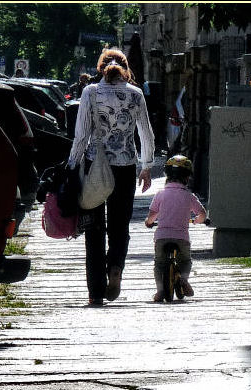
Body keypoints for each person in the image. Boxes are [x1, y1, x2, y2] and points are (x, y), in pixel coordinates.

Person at [67, 48, 154, 306]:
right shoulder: (136, 94)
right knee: (120, 226)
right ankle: (115, 266)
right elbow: (146, 133)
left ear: (100, 68)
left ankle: (95, 292)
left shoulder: (90, 93)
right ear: (126, 68)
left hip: (95, 166)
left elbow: (81, 134)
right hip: (125, 168)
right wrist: (147, 165)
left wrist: (73, 164)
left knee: (93, 228)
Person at [144, 155, 207, 302]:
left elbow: (152, 216)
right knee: (185, 261)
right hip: (181, 238)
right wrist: (197, 221)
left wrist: (148, 222)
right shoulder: (189, 196)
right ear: (187, 178)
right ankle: (184, 279)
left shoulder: (160, 195)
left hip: (162, 237)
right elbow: (202, 214)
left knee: (159, 263)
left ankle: (160, 291)